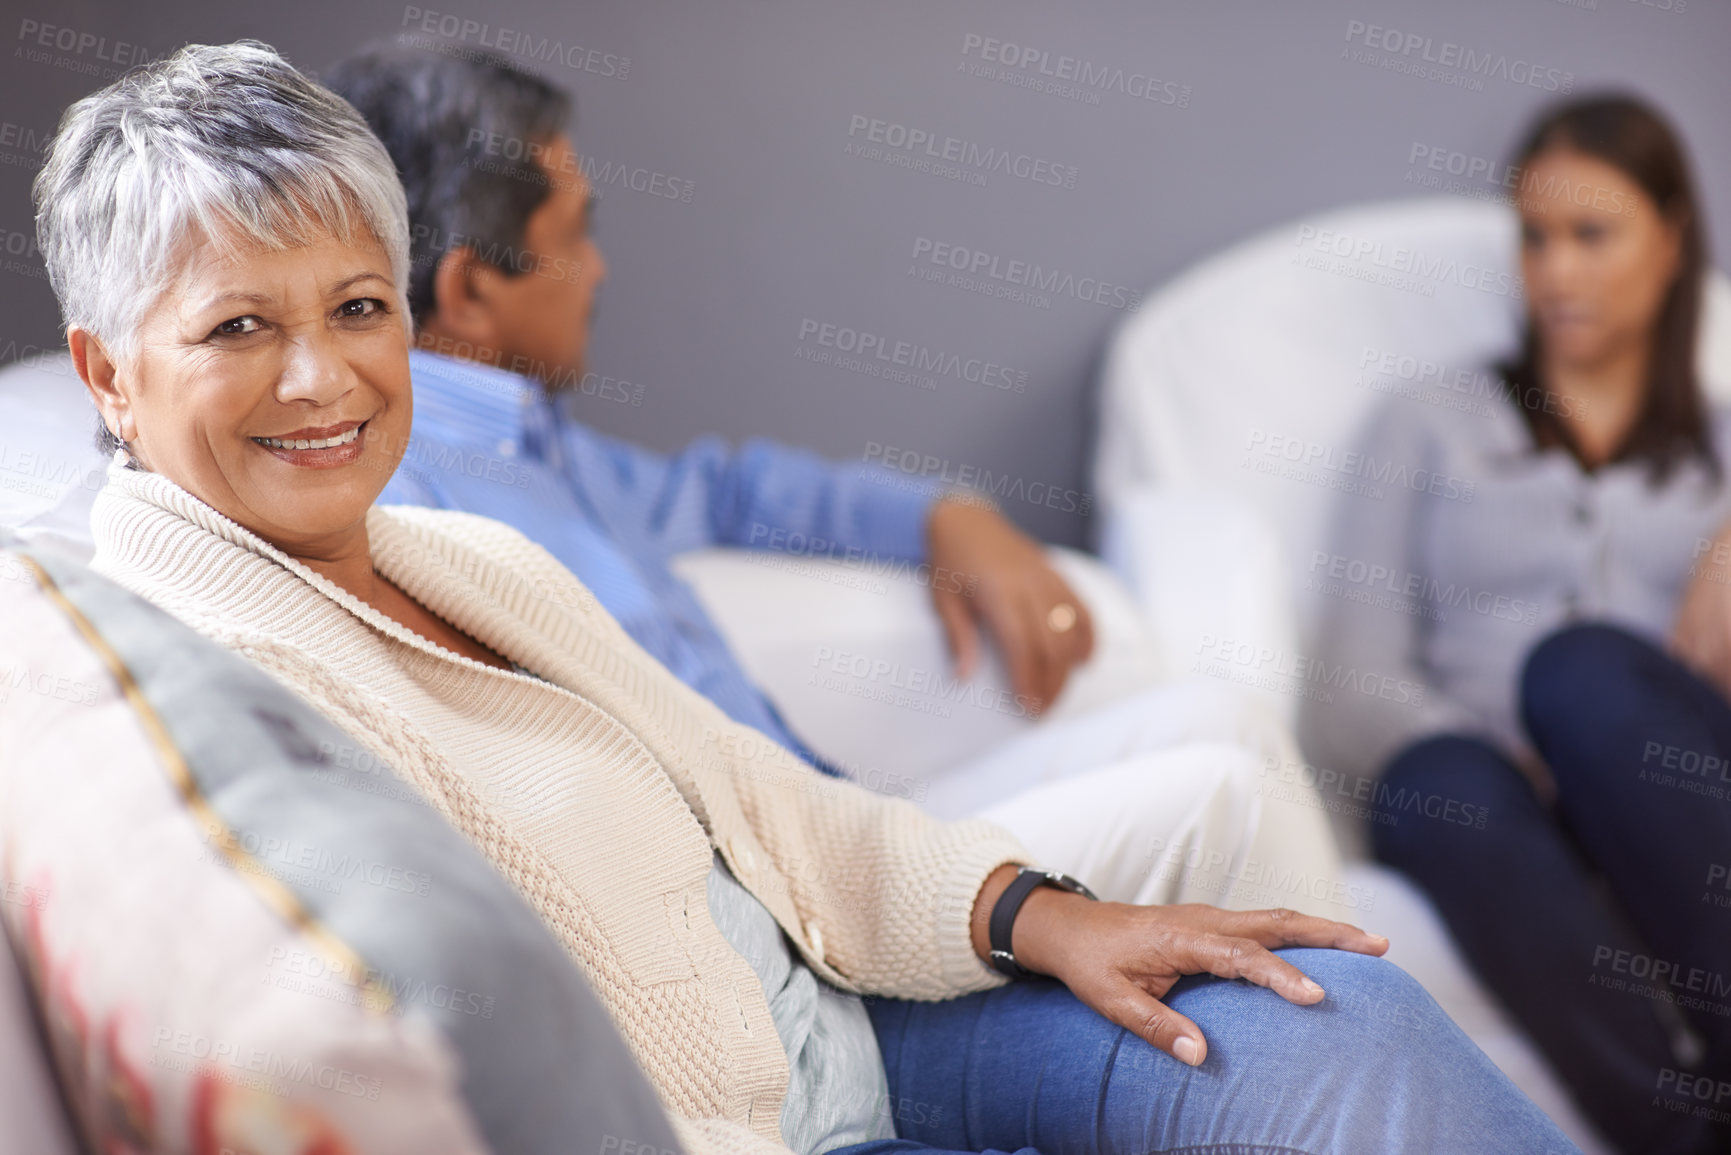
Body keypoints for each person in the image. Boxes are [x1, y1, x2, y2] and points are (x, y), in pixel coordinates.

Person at [37, 40, 1582, 1155]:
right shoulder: (200, 682)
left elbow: (765, 798)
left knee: (1332, 1018)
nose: (325, 378)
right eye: (239, 325)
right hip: (775, 1115)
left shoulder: (470, 560)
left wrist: (1039, 913)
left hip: (857, 1019)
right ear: (105, 368)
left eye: (355, 307)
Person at [320, 45, 1347, 915]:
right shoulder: (412, 510)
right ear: (471, 290)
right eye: (576, 234)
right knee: (1233, 801)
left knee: (1229, 721)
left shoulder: (542, 448)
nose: (600, 270)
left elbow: (732, 491)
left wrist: (948, 517)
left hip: (837, 825)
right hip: (792, 900)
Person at [1300, 95, 1731, 1155]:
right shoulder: (1428, 420)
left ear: (1673, 240)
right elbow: (1350, 684)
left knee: (1585, 674)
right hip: (1482, 801)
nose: (1556, 273)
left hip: (1670, 791)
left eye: (1593, 235)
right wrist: (1517, 767)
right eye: (1536, 237)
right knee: (1443, 781)